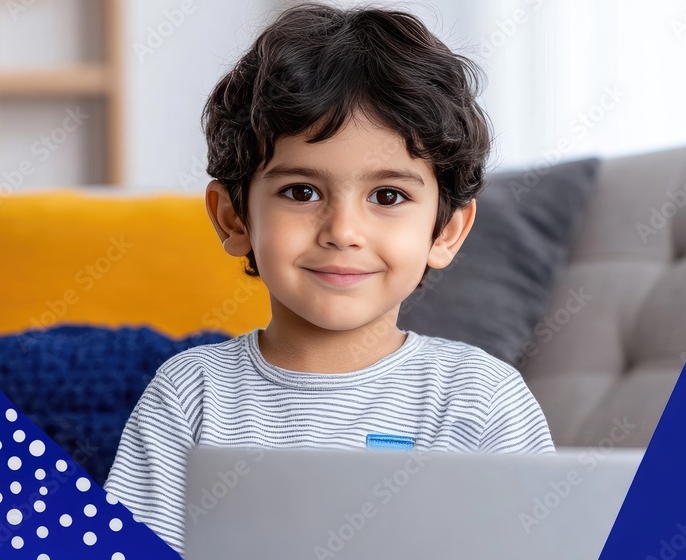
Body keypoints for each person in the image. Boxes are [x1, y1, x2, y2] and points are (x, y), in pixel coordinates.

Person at [103, 3, 554, 555]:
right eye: (302, 192)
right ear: (233, 217)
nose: (343, 231)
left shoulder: (479, 399)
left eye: (388, 197)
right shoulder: (191, 396)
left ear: (447, 232)